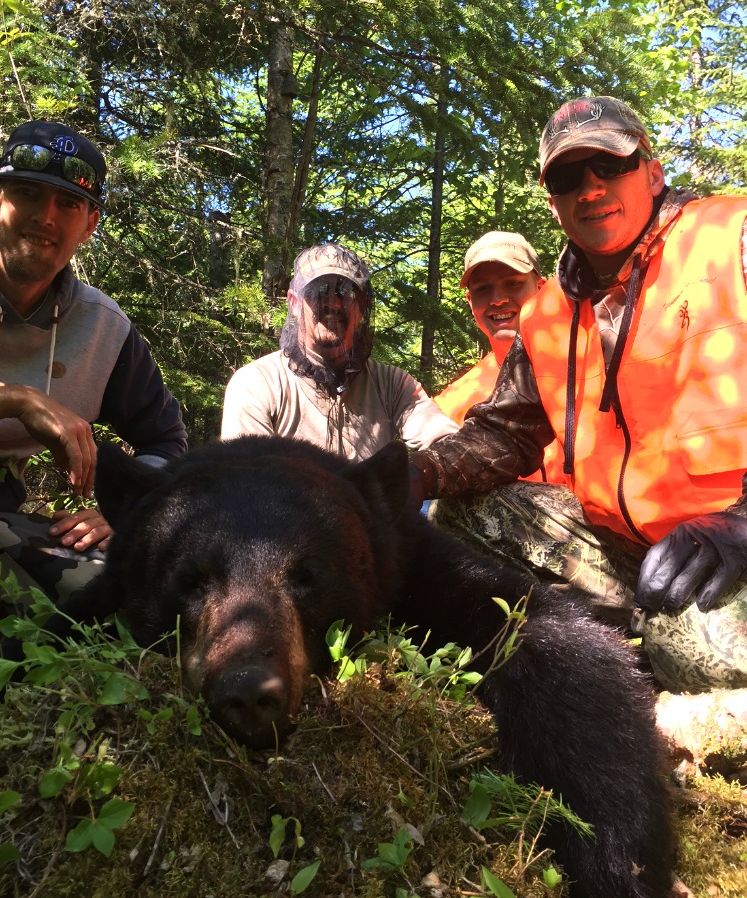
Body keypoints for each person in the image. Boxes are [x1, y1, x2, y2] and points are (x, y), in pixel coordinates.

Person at [408, 96, 747, 695]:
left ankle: (662, 654)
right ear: (552, 201)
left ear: (652, 171)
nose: (590, 189)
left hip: (730, 548)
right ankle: (605, 639)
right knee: (456, 515)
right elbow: (505, 434)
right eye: (567, 177)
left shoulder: (730, 237)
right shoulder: (547, 314)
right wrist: (414, 474)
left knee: (698, 655)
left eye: (609, 165)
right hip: (624, 550)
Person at [0, 120, 187, 620]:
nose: (45, 217)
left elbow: (165, 439)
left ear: (90, 224)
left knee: (137, 593)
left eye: (69, 204)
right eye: (27, 193)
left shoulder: (102, 329)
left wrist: (127, 510)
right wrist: (17, 399)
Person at [221, 242, 458, 459]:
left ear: (363, 306)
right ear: (294, 302)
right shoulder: (258, 383)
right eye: (319, 291)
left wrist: (419, 475)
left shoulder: (392, 383)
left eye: (345, 292)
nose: (333, 303)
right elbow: (246, 476)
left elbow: (449, 445)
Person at [434, 230, 562, 483]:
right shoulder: (450, 406)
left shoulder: (589, 366)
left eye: (513, 283)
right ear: (470, 302)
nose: (498, 299)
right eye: (483, 289)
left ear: (541, 289)